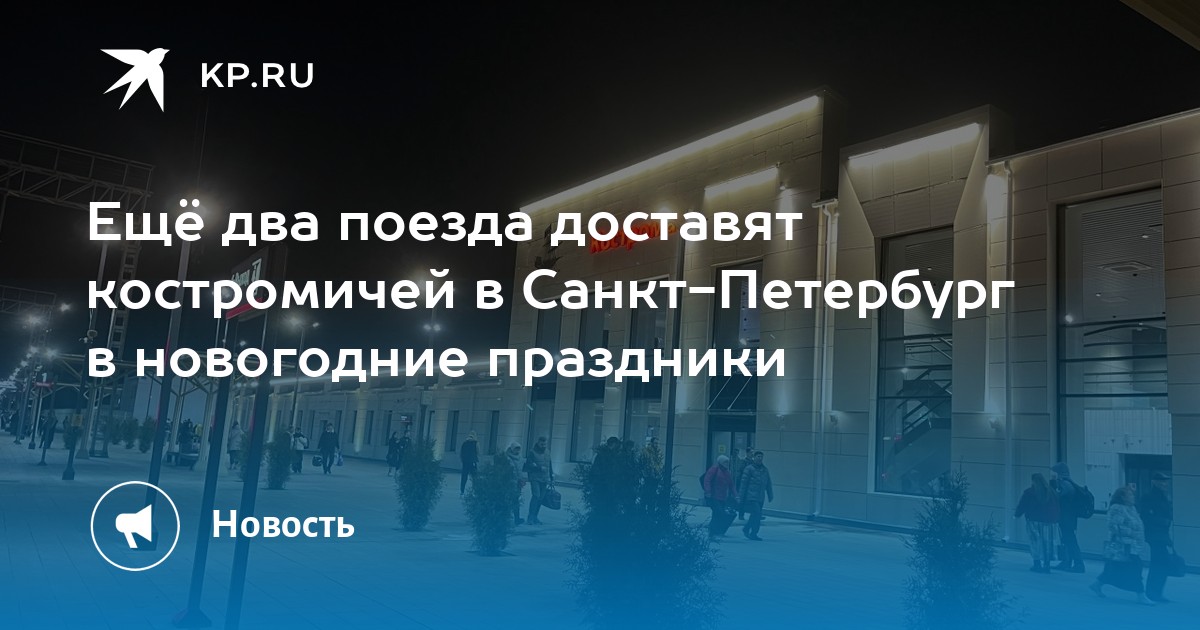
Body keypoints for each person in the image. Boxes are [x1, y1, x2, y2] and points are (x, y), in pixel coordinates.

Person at [1091, 486, 1154, 605]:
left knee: (1114, 568)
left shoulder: (1132, 508)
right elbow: (1113, 526)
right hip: (1125, 544)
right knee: (1136, 568)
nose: (1133, 497)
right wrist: (1130, 533)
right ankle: (1141, 594)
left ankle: (1097, 584)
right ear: (1122, 497)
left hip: (1133, 545)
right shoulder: (1117, 508)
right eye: (1130, 495)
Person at [1138, 472, 1174, 602]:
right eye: (1162, 481)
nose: (1165, 484)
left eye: (1166, 481)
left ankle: (1157, 592)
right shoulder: (1149, 497)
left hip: (1162, 535)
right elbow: (1145, 517)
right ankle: (1153, 592)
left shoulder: (1164, 497)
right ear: (1154, 482)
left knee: (1162, 563)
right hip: (1155, 535)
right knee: (1158, 563)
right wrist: (1163, 521)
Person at [1014, 473, 1059, 572]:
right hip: (1050, 522)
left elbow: (1023, 505)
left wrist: (1017, 514)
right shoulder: (1051, 492)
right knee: (1048, 543)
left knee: (1035, 542)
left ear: (1033, 481)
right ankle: (1047, 565)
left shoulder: (1030, 492)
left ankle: (1037, 564)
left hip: (1034, 521)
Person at [1050, 462, 1085, 573]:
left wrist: (1053, 484)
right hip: (1069, 517)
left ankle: (1078, 564)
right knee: (1066, 540)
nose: (1053, 475)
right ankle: (1067, 562)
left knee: (1070, 540)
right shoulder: (1068, 483)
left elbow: (1057, 497)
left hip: (1066, 518)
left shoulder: (1065, 484)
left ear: (1059, 472)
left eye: (1055, 472)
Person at [738, 451, 773, 541]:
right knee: (757, 514)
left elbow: (768, 483)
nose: (760, 458)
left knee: (755, 515)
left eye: (761, 457)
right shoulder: (749, 469)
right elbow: (744, 484)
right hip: (751, 496)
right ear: (754, 457)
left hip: (760, 497)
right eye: (758, 456)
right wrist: (741, 497)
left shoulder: (765, 470)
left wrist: (770, 494)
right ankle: (752, 531)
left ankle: (749, 531)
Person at [703, 455, 739, 538]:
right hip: (713, 496)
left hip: (722, 497)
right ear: (720, 462)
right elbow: (707, 480)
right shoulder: (714, 469)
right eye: (725, 462)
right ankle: (712, 531)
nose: (727, 464)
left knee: (717, 514)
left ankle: (714, 530)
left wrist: (736, 496)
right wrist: (708, 491)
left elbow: (731, 485)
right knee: (718, 513)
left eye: (727, 462)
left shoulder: (727, 472)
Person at [495, 442, 526, 525]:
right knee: (508, 500)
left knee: (516, 500)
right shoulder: (507, 458)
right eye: (516, 449)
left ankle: (517, 518)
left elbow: (520, 470)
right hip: (509, 482)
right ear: (512, 449)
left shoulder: (520, 458)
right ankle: (505, 517)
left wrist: (522, 479)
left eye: (519, 449)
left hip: (518, 482)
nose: (517, 451)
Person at [525, 436, 553, 524]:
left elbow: (550, 465)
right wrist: (539, 468)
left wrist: (551, 477)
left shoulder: (547, 452)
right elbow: (528, 465)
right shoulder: (532, 452)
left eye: (545, 444)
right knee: (536, 496)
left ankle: (535, 517)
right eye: (542, 444)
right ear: (538, 443)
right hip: (535, 478)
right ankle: (530, 517)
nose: (543, 446)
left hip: (544, 478)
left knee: (541, 498)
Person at [459, 431, 479, 496]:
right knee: (474, 477)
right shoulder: (476, 443)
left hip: (465, 462)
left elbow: (461, 453)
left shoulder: (464, 443)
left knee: (464, 476)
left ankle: (462, 490)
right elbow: (478, 452)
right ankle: (475, 491)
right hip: (473, 462)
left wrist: (463, 460)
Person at [732, 449, 750, 520]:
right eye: (751, 452)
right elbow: (739, 471)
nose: (752, 454)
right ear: (747, 453)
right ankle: (741, 514)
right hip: (742, 482)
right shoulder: (743, 462)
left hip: (749, 483)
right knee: (742, 499)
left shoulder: (752, 462)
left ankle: (756, 514)